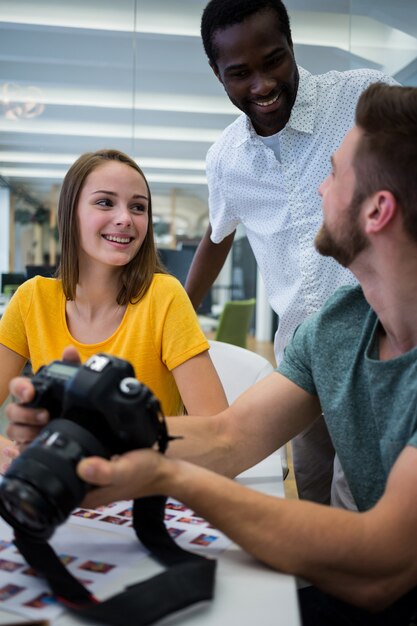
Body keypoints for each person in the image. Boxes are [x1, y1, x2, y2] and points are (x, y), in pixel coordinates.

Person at [8, 83, 417, 626]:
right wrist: (82, 439)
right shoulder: (338, 327)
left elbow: (380, 564)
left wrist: (168, 477)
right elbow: (229, 436)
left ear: (377, 211)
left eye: (335, 173)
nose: (319, 189)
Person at [184, 0, 399, 507]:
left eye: (274, 60)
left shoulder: (361, 98)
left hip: (378, 343)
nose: (261, 85)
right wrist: (171, 311)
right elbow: (217, 237)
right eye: (239, 73)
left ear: (292, 44)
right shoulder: (226, 159)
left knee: (359, 504)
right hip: (301, 355)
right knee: (313, 494)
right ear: (216, 73)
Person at [0, 149, 227, 458]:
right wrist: (17, 457)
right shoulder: (32, 299)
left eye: (138, 207)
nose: (125, 219)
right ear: (70, 212)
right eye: (105, 202)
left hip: (143, 485)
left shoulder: (164, 296)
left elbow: (218, 433)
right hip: (66, 487)